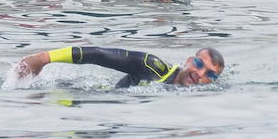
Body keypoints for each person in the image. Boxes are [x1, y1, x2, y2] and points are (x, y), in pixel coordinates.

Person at [15, 45, 224, 88]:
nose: (200, 74)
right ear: (188, 61)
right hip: (84, 97)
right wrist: (44, 58)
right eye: (199, 64)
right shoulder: (153, 67)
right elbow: (99, 55)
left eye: (210, 75)